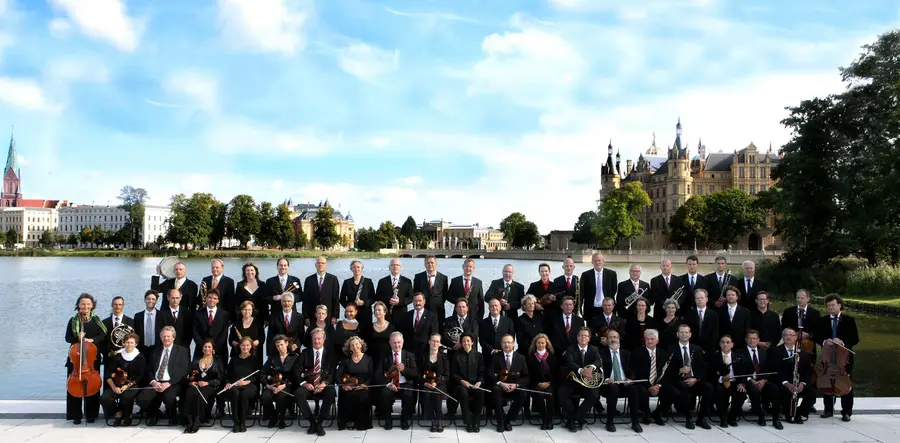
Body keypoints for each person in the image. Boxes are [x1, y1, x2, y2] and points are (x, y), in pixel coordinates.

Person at [815, 293, 859, 422]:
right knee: (827, 380)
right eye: (828, 306)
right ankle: (828, 409)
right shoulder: (822, 321)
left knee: (846, 382)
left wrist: (842, 342)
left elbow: (855, 339)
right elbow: (817, 337)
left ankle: (846, 412)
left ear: (839, 305)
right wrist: (824, 342)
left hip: (844, 359)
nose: (831, 307)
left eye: (833, 305)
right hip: (828, 358)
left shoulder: (849, 320)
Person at [65, 293, 107, 425]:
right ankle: (75, 415)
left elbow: (103, 335)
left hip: (91, 359)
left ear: (92, 306)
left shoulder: (96, 320)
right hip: (76, 358)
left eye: (88, 304)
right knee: (74, 385)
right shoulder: (73, 321)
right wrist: (77, 339)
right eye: (83, 304)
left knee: (92, 386)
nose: (86, 306)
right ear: (78, 305)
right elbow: (67, 338)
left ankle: (91, 414)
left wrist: (91, 340)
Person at [137, 326, 190, 426]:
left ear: (173, 337)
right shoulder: (155, 351)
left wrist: (169, 383)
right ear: (161, 338)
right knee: (142, 399)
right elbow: (149, 369)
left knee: (169, 398)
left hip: (172, 382)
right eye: (164, 336)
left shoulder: (182, 351)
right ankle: (155, 414)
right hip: (157, 381)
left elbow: (183, 370)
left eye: (168, 336)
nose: (166, 338)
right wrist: (153, 382)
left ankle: (172, 415)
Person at [667, 324, 713, 430]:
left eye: (686, 332)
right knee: (683, 387)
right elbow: (666, 369)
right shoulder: (671, 349)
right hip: (679, 380)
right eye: (681, 332)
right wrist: (679, 370)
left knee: (709, 388)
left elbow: (703, 368)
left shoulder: (697, 349)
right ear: (677, 334)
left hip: (694, 379)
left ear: (690, 334)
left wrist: (696, 379)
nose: (684, 334)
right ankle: (688, 418)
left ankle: (701, 418)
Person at [293, 328, 336, 437]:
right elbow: (296, 371)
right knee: (298, 393)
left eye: (319, 339)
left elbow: (332, 373)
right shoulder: (305, 353)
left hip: (323, 386)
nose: (316, 341)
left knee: (331, 392)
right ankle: (311, 422)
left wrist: (324, 383)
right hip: (309, 386)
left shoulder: (330, 354)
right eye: (314, 339)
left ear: (324, 339)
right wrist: (304, 384)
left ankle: (319, 423)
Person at [736, 329, 783, 429]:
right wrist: (750, 379)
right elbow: (739, 371)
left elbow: (770, 369)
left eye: (754, 339)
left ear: (758, 340)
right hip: (748, 381)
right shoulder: (739, 353)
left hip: (763, 381)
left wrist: (764, 380)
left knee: (774, 389)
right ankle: (760, 415)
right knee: (753, 390)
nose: (752, 341)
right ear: (745, 339)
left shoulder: (765, 353)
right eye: (749, 339)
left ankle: (776, 419)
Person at [559, 327, 602, 433]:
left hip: (587, 382)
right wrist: (581, 370)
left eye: (586, 335)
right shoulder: (570, 349)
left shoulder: (594, 349)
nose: (583, 337)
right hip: (573, 381)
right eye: (581, 335)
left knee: (594, 395)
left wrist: (591, 367)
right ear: (577, 337)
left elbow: (598, 360)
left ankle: (575, 418)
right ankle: (576, 418)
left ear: (589, 338)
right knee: (561, 393)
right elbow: (570, 363)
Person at [600, 329, 642, 433]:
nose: (613, 339)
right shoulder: (601, 353)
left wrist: (630, 379)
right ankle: (609, 421)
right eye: (610, 337)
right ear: (606, 340)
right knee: (613, 388)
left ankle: (635, 422)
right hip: (608, 384)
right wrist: (606, 378)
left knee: (633, 389)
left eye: (615, 337)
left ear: (619, 340)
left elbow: (633, 369)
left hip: (624, 383)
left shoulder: (627, 353)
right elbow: (598, 370)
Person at [99, 333, 145, 426]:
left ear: (136, 344)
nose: (129, 345)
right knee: (104, 398)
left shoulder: (140, 357)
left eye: (132, 343)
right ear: (123, 343)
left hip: (133, 383)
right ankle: (118, 412)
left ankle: (128, 416)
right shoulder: (118, 356)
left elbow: (140, 376)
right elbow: (108, 373)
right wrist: (113, 387)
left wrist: (127, 386)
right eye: (127, 342)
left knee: (126, 397)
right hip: (117, 383)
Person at [376, 332, 419, 430]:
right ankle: (388, 420)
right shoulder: (384, 356)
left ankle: (404, 420)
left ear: (403, 342)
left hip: (405, 383)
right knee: (384, 394)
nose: (397, 345)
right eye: (394, 342)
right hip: (390, 384)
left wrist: (404, 370)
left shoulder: (409, 355)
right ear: (390, 343)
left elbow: (415, 373)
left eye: (399, 342)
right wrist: (388, 384)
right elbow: (378, 374)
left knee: (409, 394)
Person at [183, 339, 225, 433]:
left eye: (209, 347)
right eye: (205, 347)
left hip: (211, 386)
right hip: (196, 385)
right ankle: (190, 421)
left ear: (213, 349)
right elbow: (188, 376)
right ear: (202, 349)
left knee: (200, 395)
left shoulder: (218, 361)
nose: (207, 349)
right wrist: (191, 382)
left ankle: (197, 420)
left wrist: (208, 383)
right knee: (190, 393)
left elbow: (220, 379)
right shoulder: (196, 361)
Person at [632, 329, 672, 427]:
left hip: (658, 383)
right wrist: (650, 386)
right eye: (647, 339)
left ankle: (657, 413)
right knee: (642, 391)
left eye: (652, 339)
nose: (650, 341)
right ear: (644, 340)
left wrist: (658, 385)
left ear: (657, 341)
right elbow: (637, 372)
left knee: (673, 392)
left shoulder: (663, 354)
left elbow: (666, 372)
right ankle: (646, 413)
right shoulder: (637, 352)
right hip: (643, 382)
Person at [776, 327, 814, 424]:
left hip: (798, 381)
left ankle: (799, 413)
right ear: (782, 337)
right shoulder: (775, 351)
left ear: (796, 337)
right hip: (783, 382)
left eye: (791, 335)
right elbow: (776, 370)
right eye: (786, 335)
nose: (788, 337)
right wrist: (786, 383)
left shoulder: (803, 353)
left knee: (811, 392)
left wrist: (803, 383)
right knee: (783, 391)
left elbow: (807, 371)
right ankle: (788, 413)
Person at [336, 336, 374, 430]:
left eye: (357, 344)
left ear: (361, 345)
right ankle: (349, 421)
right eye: (352, 345)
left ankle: (361, 422)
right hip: (349, 386)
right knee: (348, 395)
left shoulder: (369, 359)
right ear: (349, 348)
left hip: (363, 386)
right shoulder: (345, 361)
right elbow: (337, 376)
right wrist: (343, 386)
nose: (355, 346)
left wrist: (365, 385)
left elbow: (371, 376)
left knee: (362, 396)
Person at [261, 335, 298, 428]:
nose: (280, 348)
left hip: (287, 385)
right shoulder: (272, 358)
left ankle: (281, 419)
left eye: (282, 345)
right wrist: (268, 386)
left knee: (281, 397)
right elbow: (263, 373)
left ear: (287, 343)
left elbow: (295, 375)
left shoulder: (294, 357)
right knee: (265, 397)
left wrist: (283, 386)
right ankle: (274, 416)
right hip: (273, 384)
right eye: (277, 346)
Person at [225, 336, 261, 433]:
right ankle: (236, 422)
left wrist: (247, 381)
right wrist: (228, 383)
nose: (245, 347)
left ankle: (243, 422)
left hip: (250, 385)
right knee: (235, 393)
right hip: (235, 385)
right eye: (243, 345)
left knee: (244, 394)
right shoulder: (233, 359)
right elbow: (227, 374)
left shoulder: (255, 359)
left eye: (248, 345)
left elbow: (257, 376)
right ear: (239, 346)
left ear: (251, 346)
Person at [709, 334, 746, 428]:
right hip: (720, 382)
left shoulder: (739, 356)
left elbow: (744, 371)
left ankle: (732, 417)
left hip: (734, 382)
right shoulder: (714, 356)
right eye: (722, 342)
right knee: (719, 392)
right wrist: (721, 378)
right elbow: (710, 373)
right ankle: (722, 417)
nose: (725, 344)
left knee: (741, 393)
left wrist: (742, 383)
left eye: (727, 342)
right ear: (719, 344)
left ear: (732, 345)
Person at [451, 333, 485, 433]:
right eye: (464, 341)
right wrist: (461, 381)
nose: (466, 343)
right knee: (463, 392)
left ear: (473, 342)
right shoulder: (456, 355)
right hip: (461, 385)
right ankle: (468, 422)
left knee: (481, 392)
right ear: (461, 343)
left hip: (475, 385)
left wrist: (479, 382)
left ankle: (476, 421)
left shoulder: (479, 356)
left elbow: (482, 372)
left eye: (468, 341)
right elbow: (453, 373)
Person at [526, 334, 558, 430]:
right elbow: (529, 374)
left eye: (542, 343)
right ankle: (544, 419)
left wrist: (549, 383)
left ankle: (550, 419)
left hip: (550, 383)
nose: (540, 345)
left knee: (549, 394)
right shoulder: (531, 357)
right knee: (539, 394)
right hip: (536, 383)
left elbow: (556, 373)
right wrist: (537, 383)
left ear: (546, 344)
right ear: (535, 344)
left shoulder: (552, 356)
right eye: (538, 343)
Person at [419, 333, 449, 433]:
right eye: (433, 341)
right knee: (428, 393)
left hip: (440, 384)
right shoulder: (423, 356)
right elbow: (418, 373)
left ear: (440, 343)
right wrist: (424, 383)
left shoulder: (444, 357)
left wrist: (436, 383)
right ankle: (433, 419)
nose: (435, 343)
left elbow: (447, 375)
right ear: (429, 342)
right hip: (426, 384)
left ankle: (439, 420)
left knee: (436, 393)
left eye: (437, 341)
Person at [101, 296, 135, 384]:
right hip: (109, 357)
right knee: (108, 383)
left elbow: (134, 340)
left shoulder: (131, 322)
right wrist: (108, 352)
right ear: (112, 305)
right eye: (115, 304)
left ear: (123, 306)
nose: (117, 307)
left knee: (124, 382)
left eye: (120, 304)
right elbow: (102, 341)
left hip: (125, 357)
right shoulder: (104, 323)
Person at [579, 254, 618, 324]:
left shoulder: (611, 274)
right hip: (591, 309)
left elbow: (614, 290)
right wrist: (579, 308)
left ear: (603, 261)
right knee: (591, 331)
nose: (597, 262)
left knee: (608, 332)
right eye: (595, 261)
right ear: (592, 262)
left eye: (599, 260)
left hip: (607, 309)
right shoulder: (585, 275)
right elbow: (582, 293)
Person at [192, 288, 229, 360]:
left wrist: (213, 348)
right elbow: (195, 332)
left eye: (215, 298)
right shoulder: (198, 314)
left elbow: (224, 334)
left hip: (219, 351)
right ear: (206, 298)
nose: (212, 300)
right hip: (201, 351)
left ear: (218, 300)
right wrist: (205, 347)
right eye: (210, 297)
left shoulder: (224, 315)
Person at [414, 255, 450, 328]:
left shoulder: (443, 278)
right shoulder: (418, 277)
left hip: (438, 311)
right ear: (425, 264)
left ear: (436, 264)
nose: (430, 264)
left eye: (432, 262)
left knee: (437, 334)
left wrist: (436, 302)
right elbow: (415, 293)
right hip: (423, 311)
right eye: (428, 263)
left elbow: (445, 295)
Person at [303, 256, 341, 325]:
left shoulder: (333, 279)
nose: (320, 265)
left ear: (326, 265)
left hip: (328, 316)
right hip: (313, 315)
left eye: (323, 263)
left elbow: (336, 299)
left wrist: (335, 316)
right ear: (315, 265)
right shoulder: (309, 280)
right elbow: (305, 299)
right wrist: (306, 316)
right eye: (318, 263)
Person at [375, 258, 414, 324]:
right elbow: (378, 297)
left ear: (400, 267)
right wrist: (389, 300)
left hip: (402, 314)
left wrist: (400, 302)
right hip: (386, 315)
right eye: (393, 265)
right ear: (389, 267)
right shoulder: (382, 281)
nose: (395, 267)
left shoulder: (407, 281)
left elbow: (410, 297)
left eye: (397, 265)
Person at [264, 258, 302, 323]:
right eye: (280, 265)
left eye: (285, 265)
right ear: (277, 266)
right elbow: (265, 298)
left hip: (291, 315)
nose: (283, 267)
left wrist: (290, 297)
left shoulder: (295, 280)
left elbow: (301, 296)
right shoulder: (270, 281)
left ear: (288, 267)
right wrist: (273, 298)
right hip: (275, 316)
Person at [228, 300, 265, 367]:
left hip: (254, 354)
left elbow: (262, 338)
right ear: (241, 310)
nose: (247, 312)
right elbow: (230, 340)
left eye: (249, 310)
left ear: (252, 311)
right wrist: (237, 344)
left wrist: (254, 343)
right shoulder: (236, 323)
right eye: (245, 309)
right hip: (238, 354)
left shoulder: (258, 323)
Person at [400, 292, 438, 357]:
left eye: (420, 301)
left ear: (424, 301)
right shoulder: (406, 315)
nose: (417, 303)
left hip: (424, 352)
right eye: (415, 301)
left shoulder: (432, 316)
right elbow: (402, 333)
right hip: (408, 351)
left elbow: (434, 334)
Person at [340, 260, 375, 329]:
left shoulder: (368, 282)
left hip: (365, 314)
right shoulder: (347, 282)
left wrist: (364, 302)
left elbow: (373, 297)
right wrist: (350, 308)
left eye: (358, 267)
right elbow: (341, 299)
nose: (356, 269)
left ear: (362, 268)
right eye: (354, 267)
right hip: (351, 315)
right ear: (351, 269)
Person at [134, 290, 163, 356]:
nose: (150, 301)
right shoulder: (138, 316)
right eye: (148, 299)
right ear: (145, 300)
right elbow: (135, 333)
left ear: (156, 301)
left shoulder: (162, 315)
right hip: (141, 348)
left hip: (157, 348)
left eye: (153, 299)